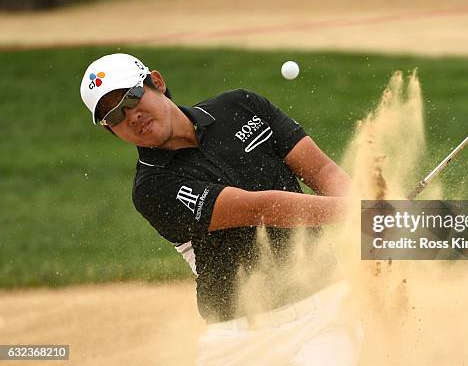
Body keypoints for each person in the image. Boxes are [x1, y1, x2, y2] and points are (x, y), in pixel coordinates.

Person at [79, 53, 362, 365]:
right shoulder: (152, 188)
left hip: (324, 316)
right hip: (237, 341)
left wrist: (378, 223)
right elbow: (261, 209)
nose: (131, 116)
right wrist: (362, 211)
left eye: (132, 98)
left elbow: (322, 172)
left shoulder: (242, 106)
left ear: (156, 82)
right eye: (115, 117)